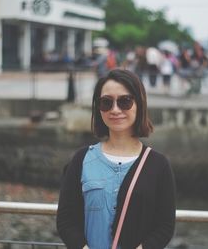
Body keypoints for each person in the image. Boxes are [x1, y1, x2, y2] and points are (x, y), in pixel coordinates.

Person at [57, 69, 176, 249]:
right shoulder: (81, 159)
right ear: (98, 107)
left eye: (125, 101)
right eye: (106, 102)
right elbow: (66, 220)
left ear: (139, 104)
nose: (115, 109)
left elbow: (165, 225)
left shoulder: (158, 165)